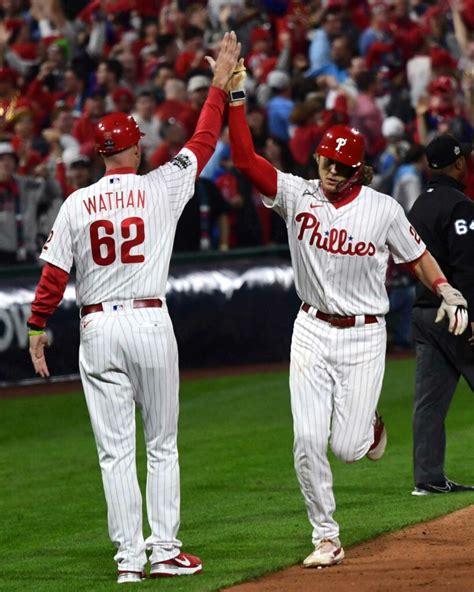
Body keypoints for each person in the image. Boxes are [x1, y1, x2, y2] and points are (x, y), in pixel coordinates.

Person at [222, 59, 469, 567]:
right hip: (311, 329)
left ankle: (370, 428)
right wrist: (237, 99)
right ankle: (326, 536)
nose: (332, 173)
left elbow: (417, 254)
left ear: (359, 169)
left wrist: (446, 289)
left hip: (363, 336)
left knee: (350, 448)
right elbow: (245, 160)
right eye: (326, 163)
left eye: (342, 166)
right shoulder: (297, 194)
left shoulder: (382, 209)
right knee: (307, 440)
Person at [27, 31, 241, 584]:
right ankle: (165, 550)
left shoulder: (77, 201)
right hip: (149, 319)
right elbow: (204, 138)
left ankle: (129, 562)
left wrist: (36, 327)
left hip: (97, 326)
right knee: (161, 444)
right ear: (136, 147)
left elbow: (53, 275)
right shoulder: (160, 187)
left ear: (101, 153)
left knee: (114, 454)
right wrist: (218, 85)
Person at [408, 134, 474, 496]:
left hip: (423, 312)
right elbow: (467, 268)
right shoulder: (461, 205)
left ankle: (428, 478)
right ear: (459, 163)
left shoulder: (419, 205)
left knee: (429, 402)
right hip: (456, 314)